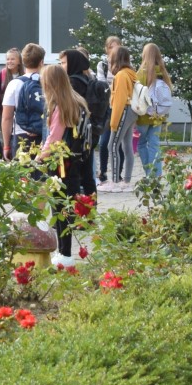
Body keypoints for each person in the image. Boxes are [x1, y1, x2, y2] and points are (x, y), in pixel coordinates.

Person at [40, 63, 94, 258]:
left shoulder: (60, 106)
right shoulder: (77, 101)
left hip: (61, 163)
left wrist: (39, 158)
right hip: (75, 161)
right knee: (66, 207)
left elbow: (54, 137)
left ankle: (64, 253)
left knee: (59, 209)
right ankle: (65, 252)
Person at [134, 43, 174, 181]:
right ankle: (156, 175)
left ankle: (149, 174)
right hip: (158, 116)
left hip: (143, 116)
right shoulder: (163, 73)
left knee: (141, 144)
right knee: (154, 145)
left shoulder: (140, 74)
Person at [0, 43, 46, 160]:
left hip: (21, 135)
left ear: (23, 62)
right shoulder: (49, 83)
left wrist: (6, 145)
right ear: (41, 62)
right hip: (44, 136)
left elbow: (7, 117)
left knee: (22, 170)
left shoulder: (14, 84)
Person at [105, 45, 137, 190]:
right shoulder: (130, 73)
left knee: (112, 145)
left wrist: (113, 123)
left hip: (123, 110)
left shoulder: (121, 75)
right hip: (131, 111)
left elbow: (119, 100)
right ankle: (127, 181)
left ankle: (115, 182)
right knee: (126, 145)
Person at [95, 35, 122, 183]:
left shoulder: (125, 64)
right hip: (107, 108)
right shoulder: (103, 65)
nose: (114, 50)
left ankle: (119, 173)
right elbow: (102, 85)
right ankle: (103, 171)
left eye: (116, 46)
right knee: (104, 141)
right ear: (107, 49)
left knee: (119, 142)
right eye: (111, 47)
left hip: (121, 107)